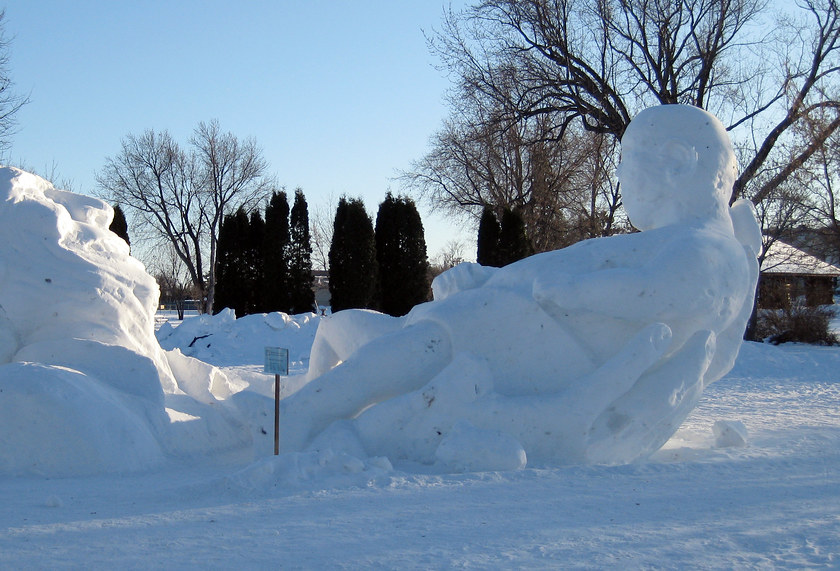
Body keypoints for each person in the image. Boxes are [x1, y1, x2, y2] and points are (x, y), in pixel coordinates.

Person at [268, 104, 759, 468]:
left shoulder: (709, 249)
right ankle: (305, 409)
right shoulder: (672, 242)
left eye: (627, 159)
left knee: (420, 347)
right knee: (366, 339)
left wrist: (578, 294)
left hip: (526, 352)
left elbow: (659, 292)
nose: (620, 174)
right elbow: (559, 266)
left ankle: (302, 417)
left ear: (677, 161)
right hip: (509, 334)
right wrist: (491, 277)